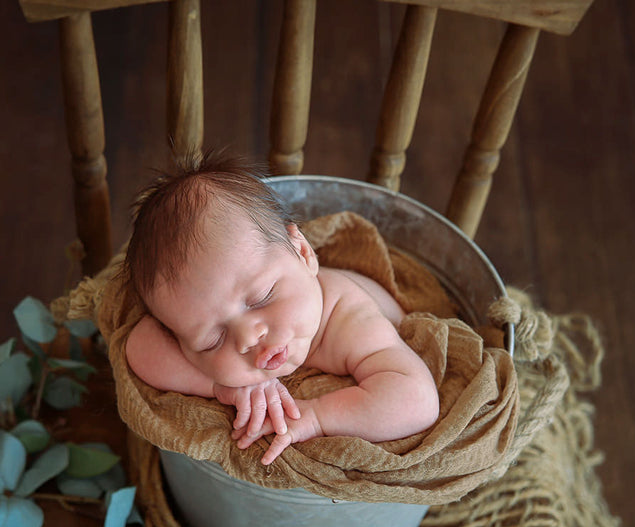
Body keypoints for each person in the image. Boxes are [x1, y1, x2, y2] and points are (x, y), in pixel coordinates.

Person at [124, 154, 439, 465]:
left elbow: (417, 400)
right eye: (212, 339)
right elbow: (139, 347)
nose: (248, 337)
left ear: (303, 252)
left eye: (262, 297)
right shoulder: (221, 328)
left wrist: (316, 416)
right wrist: (225, 386)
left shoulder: (351, 320)